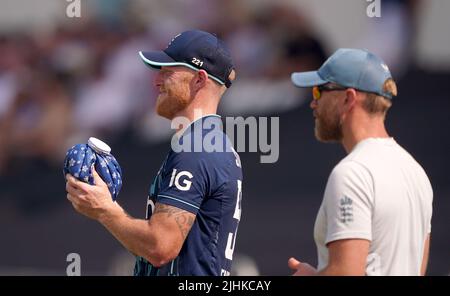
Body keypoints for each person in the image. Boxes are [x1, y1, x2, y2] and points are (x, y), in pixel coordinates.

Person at [65, 30, 243, 276]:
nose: (156, 80)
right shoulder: (204, 143)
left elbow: (160, 247)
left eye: (167, 72)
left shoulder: (197, 149)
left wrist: (106, 210)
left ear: (199, 80)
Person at [288, 48, 433, 276]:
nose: (312, 103)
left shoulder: (351, 173)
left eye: (318, 91)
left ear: (348, 98)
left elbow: (346, 273)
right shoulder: (416, 173)